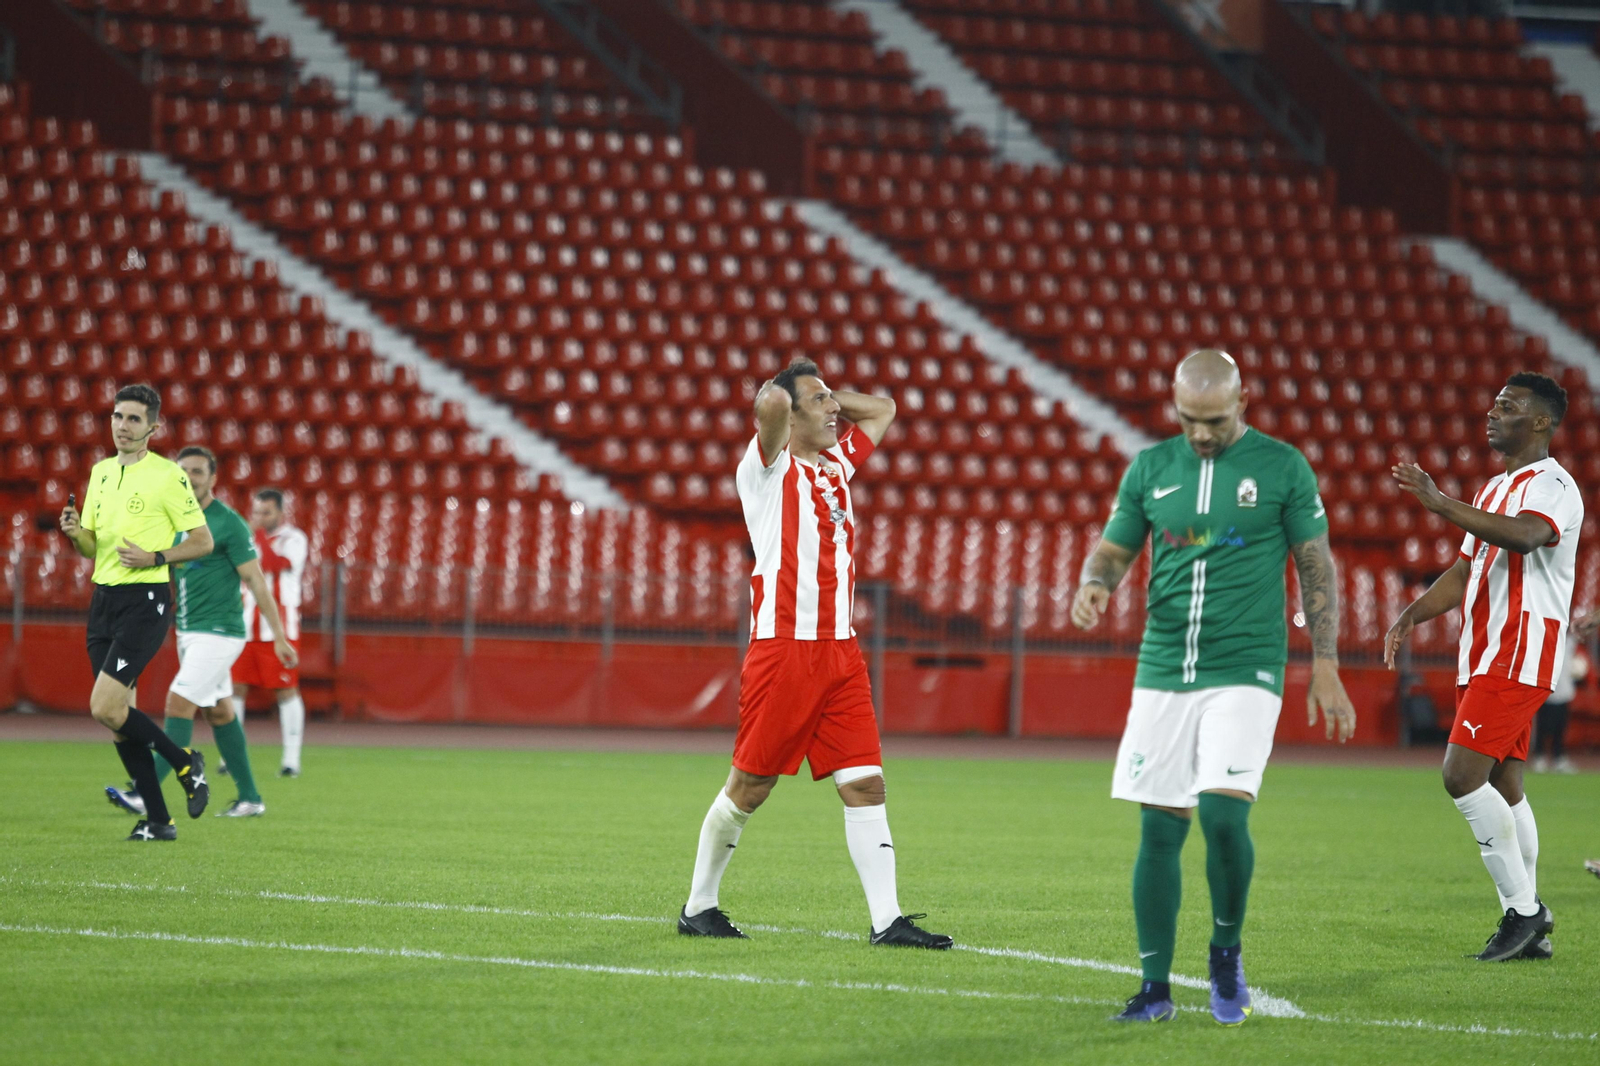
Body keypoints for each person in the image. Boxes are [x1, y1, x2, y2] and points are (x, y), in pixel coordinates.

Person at [1071, 349, 1356, 1026]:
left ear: (1244, 400)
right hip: (1164, 667)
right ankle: (1153, 988)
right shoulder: (1152, 468)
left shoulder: (1283, 467)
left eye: (1215, 419)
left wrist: (1326, 661)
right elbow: (1115, 549)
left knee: (1225, 816)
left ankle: (1225, 950)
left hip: (1247, 666)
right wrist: (1095, 584)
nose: (1200, 433)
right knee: (1159, 826)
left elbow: (1315, 564)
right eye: (1188, 418)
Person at [677, 357, 951, 949]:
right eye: (821, 401)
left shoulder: (836, 463)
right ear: (791, 415)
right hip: (784, 651)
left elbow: (883, 409)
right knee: (749, 787)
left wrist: (825, 400)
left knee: (866, 784)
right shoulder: (765, 469)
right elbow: (771, 408)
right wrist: (793, 396)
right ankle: (699, 906)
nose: (836, 409)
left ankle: (888, 921)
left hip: (841, 653)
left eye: (834, 399)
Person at [1384, 372, 1581, 962]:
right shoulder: (1495, 488)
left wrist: (1440, 502)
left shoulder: (1553, 485)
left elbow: (1523, 538)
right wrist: (1410, 616)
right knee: (1504, 784)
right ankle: (1524, 915)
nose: (1493, 413)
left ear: (1541, 422)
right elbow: (1468, 570)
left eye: (1509, 406)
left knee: (1459, 777)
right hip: (1487, 653)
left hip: (1519, 652)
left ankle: (1524, 913)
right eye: (1494, 403)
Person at [57, 383, 215, 840]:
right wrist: (75, 534)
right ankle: (161, 821)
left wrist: (157, 558)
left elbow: (202, 542)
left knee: (103, 706)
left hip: (145, 601)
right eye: (117, 416)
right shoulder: (101, 472)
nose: (122, 426)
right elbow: (92, 547)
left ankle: (186, 763)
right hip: (103, 601)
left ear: (153, 427)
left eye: (132, 419)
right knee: (117, 720)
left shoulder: (168, 476)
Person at [105, 447, 299, 818]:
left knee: (178, 703)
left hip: (220, 632)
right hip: (189, 632)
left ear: (213, 479)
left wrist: (278, 635)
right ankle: (250, 798)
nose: (190, 478)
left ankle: (147, 794)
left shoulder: (228, 522)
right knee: (220, 712)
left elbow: (256, 580)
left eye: (197, 472)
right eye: (184, 472)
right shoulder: (173, 519)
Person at [231, 488, 310, 778]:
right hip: (244, 626)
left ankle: (291, 760)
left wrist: (256, 535)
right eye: (257, 513)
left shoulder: (295, 539)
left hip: (279, 629)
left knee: (285, 690)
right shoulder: (246, 537)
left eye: (267, 512)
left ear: (281, 512)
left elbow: (276, 564)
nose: (260, 518)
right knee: (235, 688)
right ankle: (232, 755)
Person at [1531, 642, 1583, 773]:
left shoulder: (1570, 640)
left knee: (1560, 727)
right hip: (1545, 687)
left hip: (1564, 688)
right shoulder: (1546, 639)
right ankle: (1539, 756)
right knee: (1543, 726)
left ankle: (1558, 757)